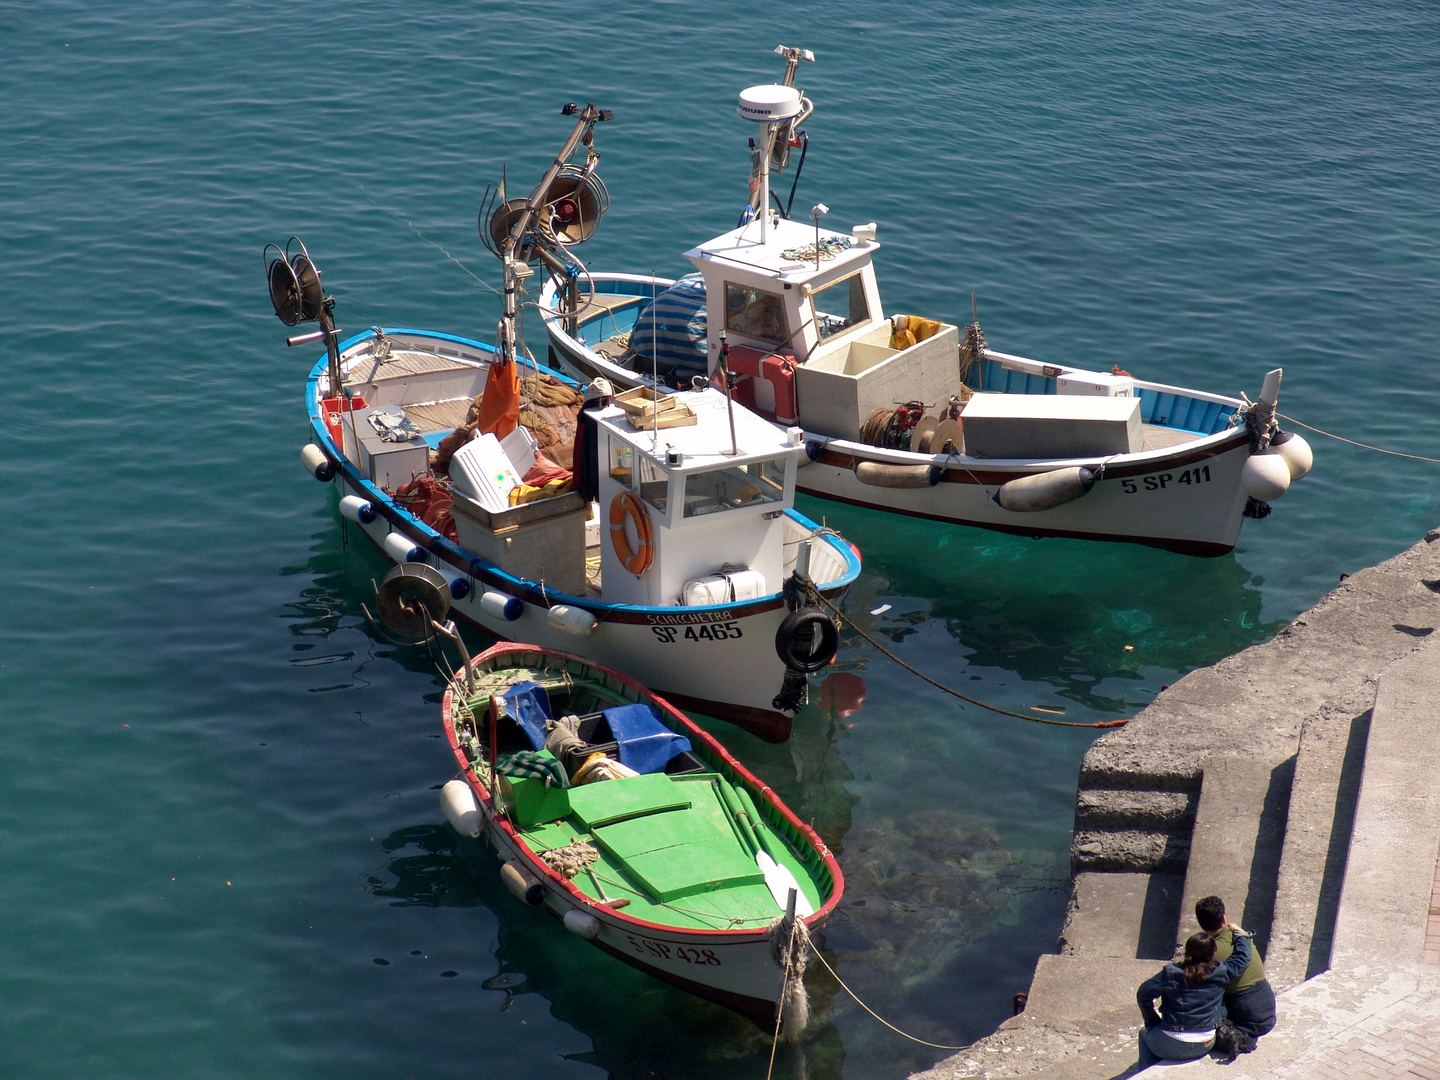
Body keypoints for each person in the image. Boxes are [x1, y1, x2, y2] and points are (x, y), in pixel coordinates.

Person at [1136, 925, 1253, 1063]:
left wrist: (1152, 1021)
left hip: (1170, 1043)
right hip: (1205, 1043)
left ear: (1188, 953)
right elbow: (1243, 958)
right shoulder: (1222, 973)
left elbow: (1143, 993)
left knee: (1143, 1033)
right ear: (1212, 953)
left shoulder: (1171, 974)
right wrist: (1240, 934)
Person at [1196, 895, 1277, 1040]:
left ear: (1201, 924)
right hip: (1268, 1008)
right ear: (1224, 918)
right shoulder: (1241, 936)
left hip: (1245, 1014)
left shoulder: (1206, 952)